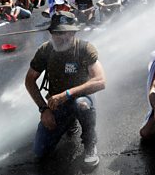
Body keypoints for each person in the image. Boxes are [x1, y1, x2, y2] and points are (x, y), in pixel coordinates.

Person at [25, 11, 106, 166]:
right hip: (57, 103)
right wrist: (44, 109)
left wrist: (67, 94)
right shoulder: (45, 50)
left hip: (80, 98)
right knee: (40, 151)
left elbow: (100, 81)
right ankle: (70, 121)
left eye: (66, 32)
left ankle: (90, 143)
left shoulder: (84, 48)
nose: (62, 37)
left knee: (82, 105)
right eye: (57, 32)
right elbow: (29, 80)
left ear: (74, 32)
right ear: (51, 32)